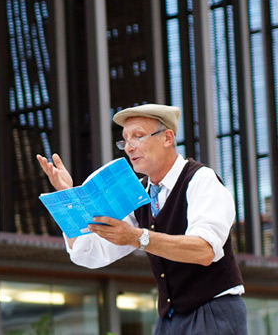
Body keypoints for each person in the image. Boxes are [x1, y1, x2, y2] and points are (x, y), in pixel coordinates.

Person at [36, 103, 246, 335]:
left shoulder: (201, 180)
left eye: (137, 137)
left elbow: (204, 250)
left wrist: (138, 237)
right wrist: (69, 198)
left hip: (213, 312)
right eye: (125, 140)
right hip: (170, 318)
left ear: (167, 138)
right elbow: (90, 254)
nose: (129, 147)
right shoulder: (138, 193)